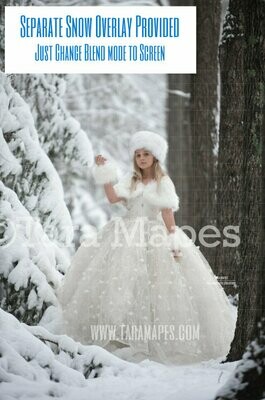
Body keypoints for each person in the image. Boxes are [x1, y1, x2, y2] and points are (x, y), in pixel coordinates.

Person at [57, 131, 237, 365]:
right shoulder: (130, 180)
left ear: (155, 157)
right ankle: (120, 334)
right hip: (125, 234)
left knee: (155, 284)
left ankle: (154, 337)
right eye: (138, 154)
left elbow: (167, 215)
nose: (142, 158)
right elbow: (112, 198)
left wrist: (173, 241)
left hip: (154, 235)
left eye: (146, 154)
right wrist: (106, 173)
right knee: (121, 282)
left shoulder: (163, 182)